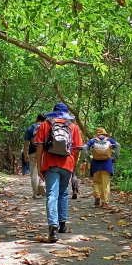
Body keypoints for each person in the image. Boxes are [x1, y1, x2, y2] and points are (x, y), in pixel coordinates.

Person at [34, 103, 83, 242]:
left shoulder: (45, 124)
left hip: (50, 164)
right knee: (63, 193)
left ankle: (53, 228)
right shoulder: (73, 126)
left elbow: (39, 147)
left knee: (51, 194)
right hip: (67, 164)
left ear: (53, 113)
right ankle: (62, 224)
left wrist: (39, 166)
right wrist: (73, 165)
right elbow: (77, 149)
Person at [82, 127, 120, 208]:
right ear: (105, 133)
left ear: (97, 134)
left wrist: (89, 158)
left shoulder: (93, 141)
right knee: (105, 184)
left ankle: (97, 195)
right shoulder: (109, 140)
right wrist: (115, 157)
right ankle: (105, 202)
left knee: (96, 182)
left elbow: (84, 148)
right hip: (107, 165)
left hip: (95, 164)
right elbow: (118, 146)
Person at [23, 114, 46, 197]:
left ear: (37, 119)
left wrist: (25, 154)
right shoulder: (45, 127)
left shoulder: (31, 128)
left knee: (34, 172)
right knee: (42, 170)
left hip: (33, 152)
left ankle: (35, 192)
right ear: (44, 120)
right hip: (43, 152)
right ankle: (42, 185)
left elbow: (26, 142)